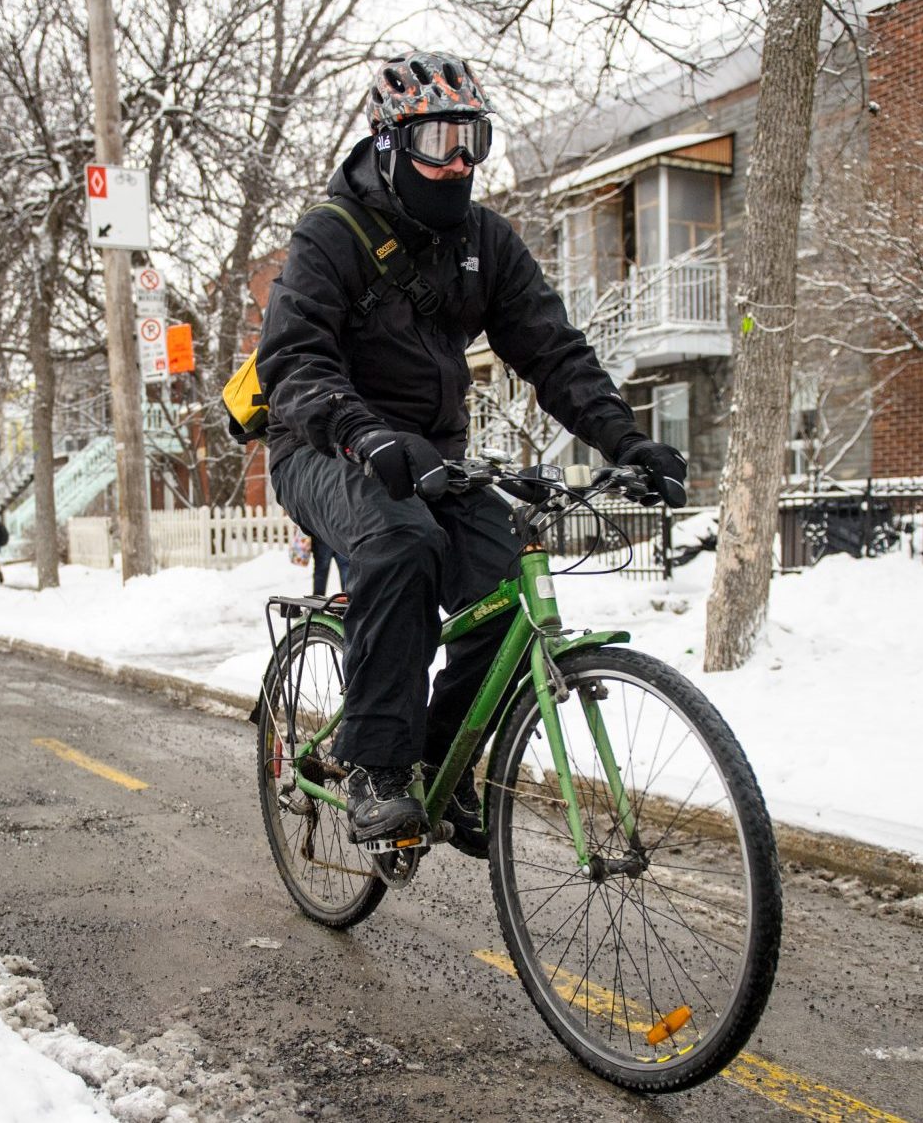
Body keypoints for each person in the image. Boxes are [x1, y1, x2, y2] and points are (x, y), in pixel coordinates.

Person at [257, 51, 688, 857]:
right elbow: (293, 364)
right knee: (402, 541)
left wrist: (626, 438)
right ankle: (378, 769)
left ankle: (435, 763)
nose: (458, 161)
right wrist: (364, 431)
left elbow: (553, 351)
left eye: (473, 140)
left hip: (433, 457)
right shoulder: (331, 235)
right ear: (390, 146)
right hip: (322, 444)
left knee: (502, 586)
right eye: (438, 141)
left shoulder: (483, 243)